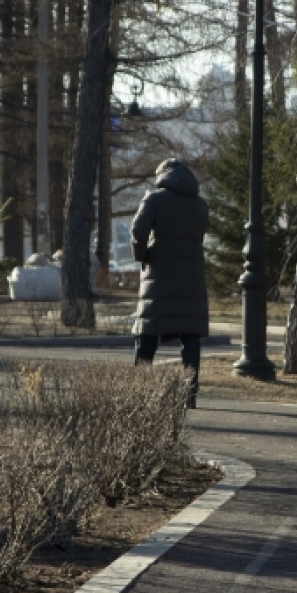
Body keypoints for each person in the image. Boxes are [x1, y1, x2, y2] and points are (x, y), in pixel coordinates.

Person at [131, 158, 209, 408]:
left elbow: (138, 230)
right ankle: (190, 394)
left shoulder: (153, 199)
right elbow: (199, 233)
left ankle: (139, 390)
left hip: (159, 276)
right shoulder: (200, 205)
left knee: (148, 334)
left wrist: (142, 255)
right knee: (190, 337)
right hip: (191, 277)